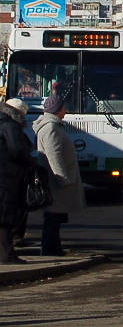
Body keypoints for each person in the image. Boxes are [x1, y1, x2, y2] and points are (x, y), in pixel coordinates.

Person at [33, 94, 83, 257]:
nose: (66, 111)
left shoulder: (52, 127)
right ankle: (50, 250)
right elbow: (54, 156)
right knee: (53, 218)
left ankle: (53, 248)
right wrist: (63, 179)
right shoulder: (51, 128)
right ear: (57, 109)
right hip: (56, 184)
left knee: (55, 217)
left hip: (54, 182)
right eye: (64, 107)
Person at [0, 98, 36, 265]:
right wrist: (28, 161)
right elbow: (16, 150)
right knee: (6, 215)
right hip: (8, 175)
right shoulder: (10, 125)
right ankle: (7, 255)